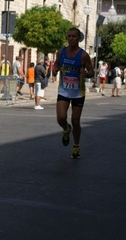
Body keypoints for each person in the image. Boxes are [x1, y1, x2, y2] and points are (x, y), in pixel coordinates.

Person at [52, 28, 94, 159]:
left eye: (74, 36)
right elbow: (56, 64)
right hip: (64, 90)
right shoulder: (61, 52)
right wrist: (55, 70)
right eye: (69, 36)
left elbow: (92, 71)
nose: (71, 39)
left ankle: (76, 146)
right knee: (61, 118)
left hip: (77, 92)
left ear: (78, 38)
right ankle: (66, 129)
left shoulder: (83, 55)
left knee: (75, 120)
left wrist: (86, 74)